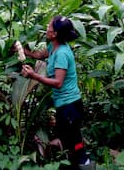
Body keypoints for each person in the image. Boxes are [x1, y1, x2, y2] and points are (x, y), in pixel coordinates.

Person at [20, 15, 95, 170]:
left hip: (70, 105)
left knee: (74, 139)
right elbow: (39, 55)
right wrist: (23, 51)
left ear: (54, 34)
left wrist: (34, 75)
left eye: (50, 26)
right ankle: (75, 161)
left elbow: (58, 83)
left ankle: (84, 163)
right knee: (69, 137)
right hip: (65, 104)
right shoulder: (53, 46)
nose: (47, 27)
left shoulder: (61, 54)